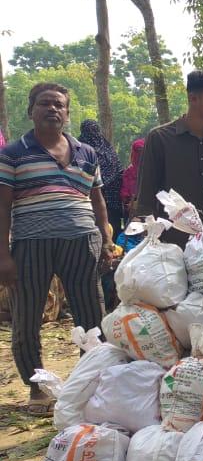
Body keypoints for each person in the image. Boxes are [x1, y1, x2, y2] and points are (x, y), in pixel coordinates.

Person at [0, 84, 112, 414]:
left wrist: (105, 239)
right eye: (45, 104)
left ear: (68, 112)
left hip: (82, 243)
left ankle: (87, 382)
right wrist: (3, 255)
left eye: (59, 105)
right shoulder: (13, 154)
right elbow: (2, 206)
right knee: (27, 316)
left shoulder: (87, 153)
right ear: (30, 110)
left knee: (91, 313)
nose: (53, 109)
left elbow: (98, 200)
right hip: (30, 245)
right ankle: (38, 389)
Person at [134, 70, 203, 243]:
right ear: (193, 98)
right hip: (174, 241)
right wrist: (150, 238)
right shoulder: (160, 138)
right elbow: (146, 193)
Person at [77, 118, 123, 236]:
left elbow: (118, 170)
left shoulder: (80, 150)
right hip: (93, 199)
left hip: (107, 199)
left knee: (111, 229)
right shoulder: (82, 149)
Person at [120, 137, 145, 221]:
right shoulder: (154, 170)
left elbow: (125, 193)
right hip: (148, 211)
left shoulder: (129, 171)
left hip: (133, 211)